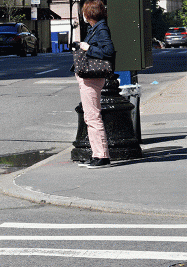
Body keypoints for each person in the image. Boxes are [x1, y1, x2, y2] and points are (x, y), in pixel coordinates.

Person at [73, 0, 115, 169]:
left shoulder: (101, 28)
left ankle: (101, 156)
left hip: (92, 78)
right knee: (90, 116)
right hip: (88, 78)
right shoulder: (96, 27)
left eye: (84, 12)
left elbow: (108, 51)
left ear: (89, 14)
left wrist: (87, 47)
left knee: (92, 117)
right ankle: (97, 154)